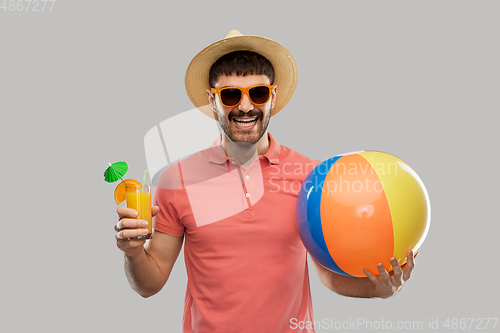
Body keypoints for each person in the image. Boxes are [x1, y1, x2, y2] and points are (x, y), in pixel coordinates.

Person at [114, 30, 416, 333]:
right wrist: (133, 252)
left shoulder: (312, 177)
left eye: (257, 93)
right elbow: (149, 285)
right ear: (212, 100)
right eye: (230, 95)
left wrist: (379, 289)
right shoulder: (175, 179)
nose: (245, 107)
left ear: (272, 96)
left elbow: (328, 275)